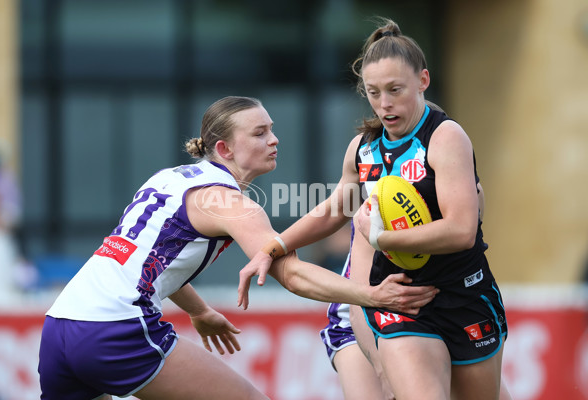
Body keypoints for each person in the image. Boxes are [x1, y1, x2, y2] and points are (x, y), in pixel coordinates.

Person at [37, 95, 419, 400]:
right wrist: (373, 295)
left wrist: (200, 311)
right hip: (115, 328)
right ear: (225, 148)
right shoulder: (230, 202)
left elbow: (144, 264)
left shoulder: (168, 178)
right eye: (259, 133)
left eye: (272, 129)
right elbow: (293, 275)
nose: (274, 139)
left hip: (59, 326)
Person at [239, 18, 511, 400]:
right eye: (373, 92)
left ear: (423, 81)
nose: (384, 103)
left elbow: (461, 231)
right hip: (399, 299)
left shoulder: (446, 137)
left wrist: (382, 236)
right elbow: (336, 210)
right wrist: (273, 247)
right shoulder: (363, 149)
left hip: (465, 295)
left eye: (395, 90)